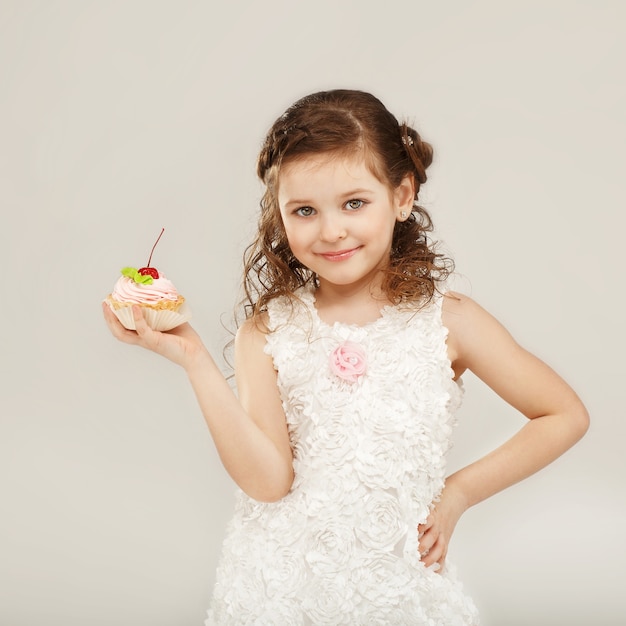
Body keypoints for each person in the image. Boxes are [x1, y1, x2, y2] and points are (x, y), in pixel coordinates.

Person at [102, 89, 589, 625]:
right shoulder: (267, 332)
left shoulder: (450, 321)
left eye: (353, 203)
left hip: (394, 595)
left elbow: (564, 414)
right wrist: (193, 357)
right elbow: (269, 483)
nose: (331, 230)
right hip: (277, 595)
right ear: (280, 215)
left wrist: (459, 492)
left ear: (402, 195)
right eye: (305, 210)